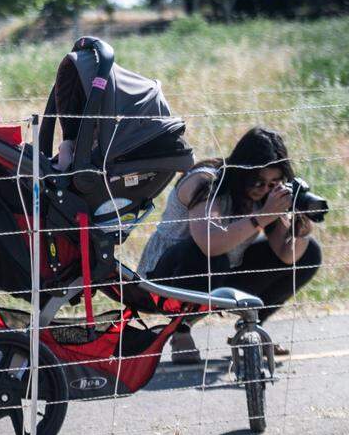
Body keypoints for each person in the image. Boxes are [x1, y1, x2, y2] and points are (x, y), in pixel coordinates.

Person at [138, 126, 322, 363]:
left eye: (273, 182)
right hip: (166, 277)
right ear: (242, 171)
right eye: (258, 181)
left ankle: (250, 330)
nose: (264, 189)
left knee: (310, 253)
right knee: (210, 254)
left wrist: (300, 232)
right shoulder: (206, 181)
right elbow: (208, 245)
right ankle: (180, 329)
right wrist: (260, 217)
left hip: (222, 272)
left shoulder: (269, 194)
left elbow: (286, 257)